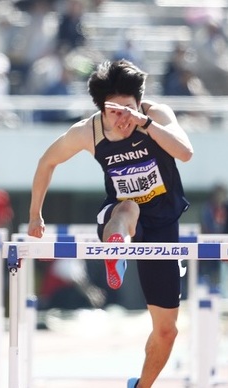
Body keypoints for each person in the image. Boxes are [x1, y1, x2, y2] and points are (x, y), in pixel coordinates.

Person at [27, 59, 193, 388]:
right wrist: (35, 214)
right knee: (127, 208)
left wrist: (145, 123)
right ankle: (115, 250)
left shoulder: (155, 115)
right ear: (101, 110)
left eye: (128, 111)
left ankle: (141, 385)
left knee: (166, 330)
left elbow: (185, 152)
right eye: (114, 113)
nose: (122, 121)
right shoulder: (87, 132)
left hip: (162, 224)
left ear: (139, 103)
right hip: (119, 212)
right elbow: (47, 161)